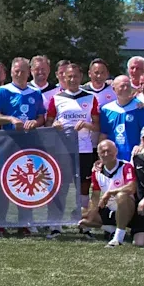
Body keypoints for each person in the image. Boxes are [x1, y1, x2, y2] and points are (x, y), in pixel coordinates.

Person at [0, 57, 46, 236]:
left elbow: (42, 117)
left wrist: (34, 123)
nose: (20, 74)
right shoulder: (3, 91)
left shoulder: (35, 93)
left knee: (26, 184)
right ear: (11, 72)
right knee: (3, 184)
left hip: (29, 145)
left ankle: (24, 223)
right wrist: (11, 119)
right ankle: (0, 223)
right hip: (8, 144)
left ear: (29, 72)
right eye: (16, 71)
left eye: (23, 71)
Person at [46, 62, 100, 235]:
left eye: (76, 76)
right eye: (69, 76)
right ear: (63, 77)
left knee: (84, 187)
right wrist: (54, 124)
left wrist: (87, 125)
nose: (72, 79)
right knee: (61, 186)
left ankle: (82, 224)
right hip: (62, 149)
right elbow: (49, 122)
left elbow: (97, 125)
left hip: (84, 149)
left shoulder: (90, 97)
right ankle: (55, 225)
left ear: (81, 77)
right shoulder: (57, 98)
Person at [78, 139, 136, 247]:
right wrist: (89, 218)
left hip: (128, 210)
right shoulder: (96, 172)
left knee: (121, 196)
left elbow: (131, 187)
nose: (106, 154)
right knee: (79, 214)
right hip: (109, 209)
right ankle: (110, 228)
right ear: (98, 154)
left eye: (109, 151)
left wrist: (110, 193)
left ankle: (118, 238)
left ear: (116, 151)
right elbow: (95, 197)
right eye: (103, 152)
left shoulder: (126, 166)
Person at [99, 76, 144, 162]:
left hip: (134, 157)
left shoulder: (139, 107)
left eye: (128, 85)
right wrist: (101, 158)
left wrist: (141, 147)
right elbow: (104, 134)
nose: (126, 88)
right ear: (113, 89)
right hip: (113, 159)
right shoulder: (106, 109)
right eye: (122, 86)